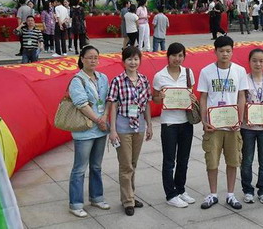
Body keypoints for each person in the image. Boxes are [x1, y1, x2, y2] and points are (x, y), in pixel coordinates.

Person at [198, 36, 248, 210]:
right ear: (215, 52)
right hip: (214, 126)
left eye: (228, 51)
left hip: (232, 125)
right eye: (221, 51)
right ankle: (213, 194)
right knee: (212, 161)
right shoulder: (206, 71)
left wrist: (239, 119)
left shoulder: (240, 71)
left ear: (232, 52)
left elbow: (241, 96)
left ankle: (230, 194)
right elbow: (203, 97)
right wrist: (204, 120)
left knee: (233, 161)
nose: (225, 54)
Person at [107, 46, 153, 216]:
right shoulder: (118, 81)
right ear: (123, 62)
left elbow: (147, 104)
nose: (133, 62)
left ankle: (130, 195)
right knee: (126, 165)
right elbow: (113, 105)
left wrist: (149, 125)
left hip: (139, 125)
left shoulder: (144, 80)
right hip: (122, 126)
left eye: (136, 59)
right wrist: (112, 130)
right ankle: (127, 201)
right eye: (129, 59)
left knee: (133, 163)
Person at [152, 43, 198, 208]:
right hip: (169, 123)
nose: (177, 59)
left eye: (180, 56)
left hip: (186, 122)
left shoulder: (188, 73)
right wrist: (160, 98)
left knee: (183, 159)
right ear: (168, 56)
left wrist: (192, 98)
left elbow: (190, 93)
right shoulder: (160, 76)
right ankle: (170, 194)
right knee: (169, 160)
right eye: (174, 55)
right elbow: (154, 98)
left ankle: (180, 189)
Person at [68, 45, 110, 218]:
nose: (93, 60)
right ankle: (75, 203)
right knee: (79, 168)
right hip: (85, 131)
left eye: (96, 57)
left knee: (96, 166)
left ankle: (96, 197)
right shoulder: (77, 80)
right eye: (89, 57)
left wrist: (104, 117)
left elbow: (108, 100)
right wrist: (99, 120)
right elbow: (82, 104)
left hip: (101, 129)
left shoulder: (103, 78)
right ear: (82, 59)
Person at [240, 49, 263, 204]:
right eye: (254, 60)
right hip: (247, 128)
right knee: (247, 160)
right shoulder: (244, 79)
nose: (258, 64)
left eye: (261, 61)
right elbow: (240, 100)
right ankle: (247, 190)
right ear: (249, 62)